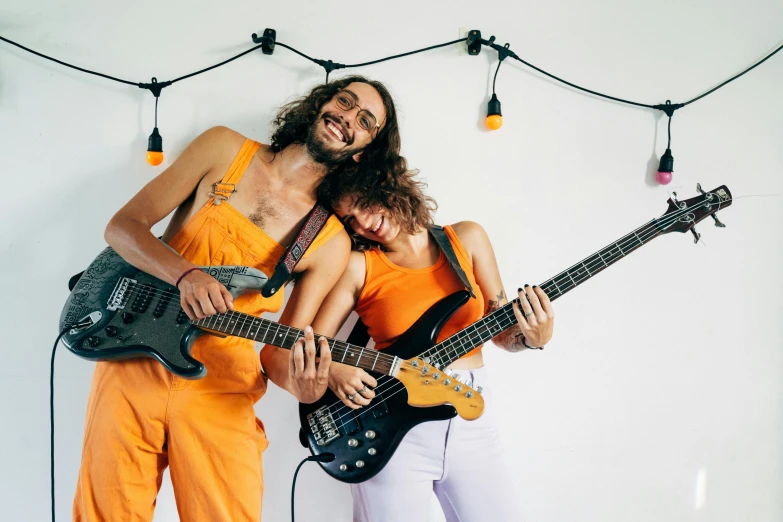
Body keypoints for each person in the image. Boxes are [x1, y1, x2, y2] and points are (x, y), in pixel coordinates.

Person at [72, 76, 402, 522]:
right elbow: (122, 227)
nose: (348, 118)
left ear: (363, 149)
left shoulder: (329, 244)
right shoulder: (223, 148)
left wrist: (305, 385)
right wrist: (185, 274)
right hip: (135, 359)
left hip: (223, 387)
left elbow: (279, 354)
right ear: (322, 102)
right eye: (345, 101)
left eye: (365, 121)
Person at [308, 164, 555, 521]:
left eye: (362, 203)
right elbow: (311, 341)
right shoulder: (359, 266)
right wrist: (333, 370)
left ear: (388, 185)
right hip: (393, 421)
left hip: (472, 417)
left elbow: (502, 331)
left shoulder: (466, 239)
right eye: (350, 220)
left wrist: (534, 338)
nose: (361, 223)